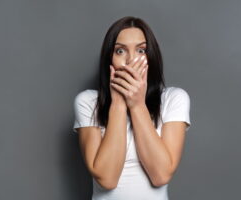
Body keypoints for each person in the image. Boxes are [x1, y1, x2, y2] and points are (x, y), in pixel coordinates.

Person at [72, 16, 191, 200]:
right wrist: (119, 102)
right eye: (120, 51)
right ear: (109, 59)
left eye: (141, 50)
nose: (130, 60)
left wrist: (137, 105)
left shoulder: (173, 99)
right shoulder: (88, 101)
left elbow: (161, 175)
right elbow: (107, 179)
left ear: (151, 57)